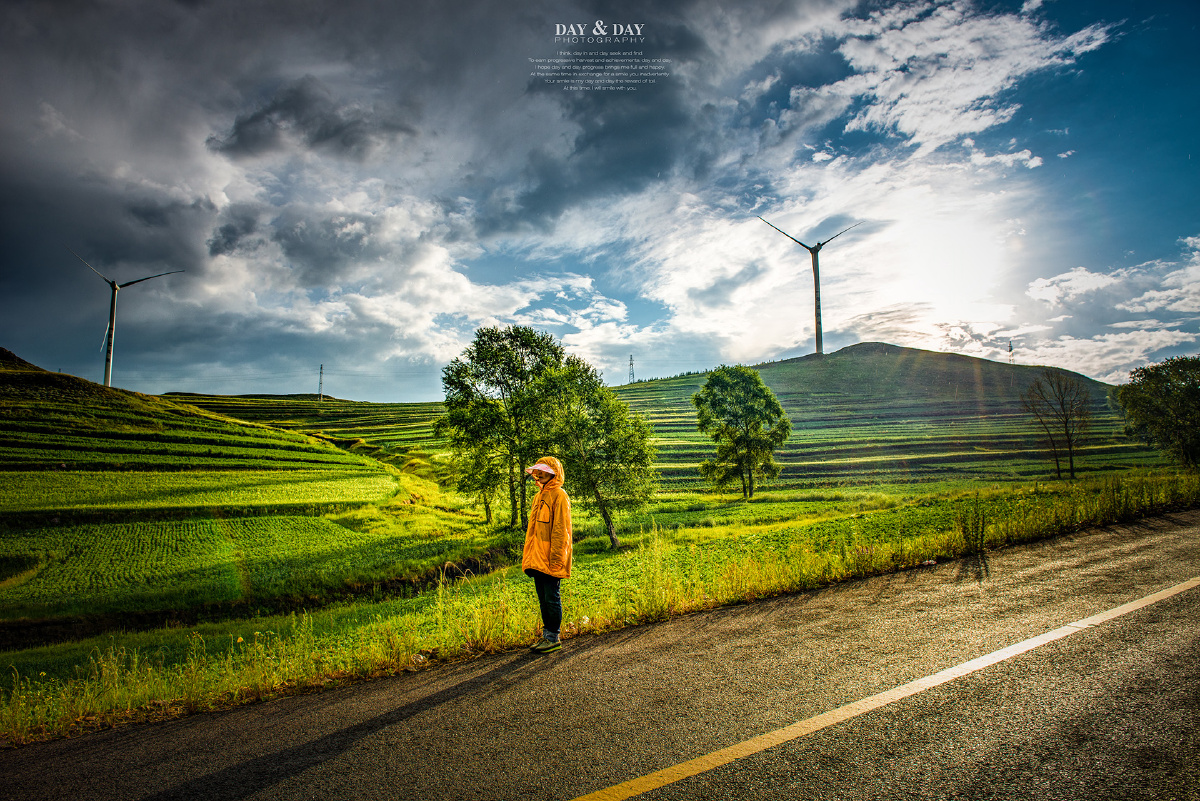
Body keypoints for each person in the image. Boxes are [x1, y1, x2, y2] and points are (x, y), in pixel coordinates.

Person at [522, 455, 572, 654]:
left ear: (554, 474)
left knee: (551, 597)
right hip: (537, 557)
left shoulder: (560, 495)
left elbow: (561, 530)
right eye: (538, 471)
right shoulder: (538, 496)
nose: (540, 474)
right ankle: (546, 636)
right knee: (543, 598)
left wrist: (557, 559)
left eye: (544, 471)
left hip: (551, 558)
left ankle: (553, 638)